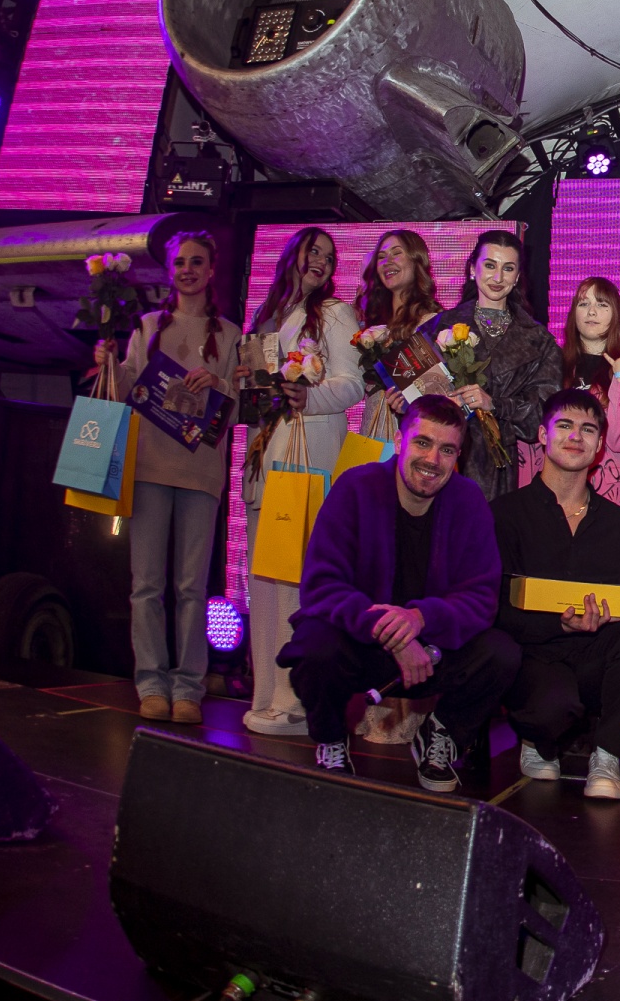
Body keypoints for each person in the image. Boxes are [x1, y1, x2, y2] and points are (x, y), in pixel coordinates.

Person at [280, 395, 520, 788]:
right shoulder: (355, 487)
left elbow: (481, 598)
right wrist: (391, 631)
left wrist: (420, 618)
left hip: (431, 650)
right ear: (398, 441)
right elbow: (321, 587)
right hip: (361, 643)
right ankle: (330, 738)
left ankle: (440, 732)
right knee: (313, 647)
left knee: (501, 653)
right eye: (423, 443)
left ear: (458, 456)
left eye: (447, 450)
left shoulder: (468, 500)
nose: (433, 460)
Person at [494, 390, 620, 799]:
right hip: (535, 658)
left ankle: (606, 756)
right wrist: (559, 624)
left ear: (600, 444)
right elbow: (492, 609)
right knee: (551, 706)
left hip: (594, 658)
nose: (575, 437)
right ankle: (538, 739)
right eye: (564, 426)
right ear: (542, 435)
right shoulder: (505, 514)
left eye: (587, 429)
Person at [97, 230, 240, 724]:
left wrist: (219, 383)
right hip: (150, 467)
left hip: (201, 473)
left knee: (191, 588)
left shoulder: (230, 334)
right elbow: (125, 390)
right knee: (146, 585)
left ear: (211, 269)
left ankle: (188, 688)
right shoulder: (148, 326)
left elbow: (241, 407)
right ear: (170, 269)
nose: (188, 270)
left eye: (197, 262)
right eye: (180, 262)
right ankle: (151, 683)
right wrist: (109, 365)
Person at [240, 227, 364, 737]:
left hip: (306, 457)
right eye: (314, 251)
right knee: (264, 580)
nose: (321, 261)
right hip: (264, 457)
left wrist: (307, 397)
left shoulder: (334, 312)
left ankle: (296, 699)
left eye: (329, 257)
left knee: (294, 578)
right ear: (293, 254)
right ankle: (265, 694)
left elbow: (353, 383)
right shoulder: (267, 315)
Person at [421, 231, 560, 503]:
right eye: (489, 265)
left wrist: (495, 404)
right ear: (473, 269)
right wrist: (406, 402)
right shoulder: (438, 326)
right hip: (438, 455)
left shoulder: (540, 340)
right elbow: (417, 388)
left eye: (508, 268)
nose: (498, 278)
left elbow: (544, 415)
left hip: (502, 468)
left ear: (517, 276)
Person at [518, 276, 620, 506]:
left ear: (616, 313)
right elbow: (531, 436)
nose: (591, 311)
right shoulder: (551, 365)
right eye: (583, 303)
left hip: (605, 497)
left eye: (602, 304)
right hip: (547, 493)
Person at [354, 229, 440, 442]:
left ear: (416, 260)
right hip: (371, 434)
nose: (387, 262)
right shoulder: (373, 326)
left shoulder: (431, 322)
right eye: (381, 257)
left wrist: (408, 403)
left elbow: (437, 398)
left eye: (397, 253)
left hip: (410, 436)